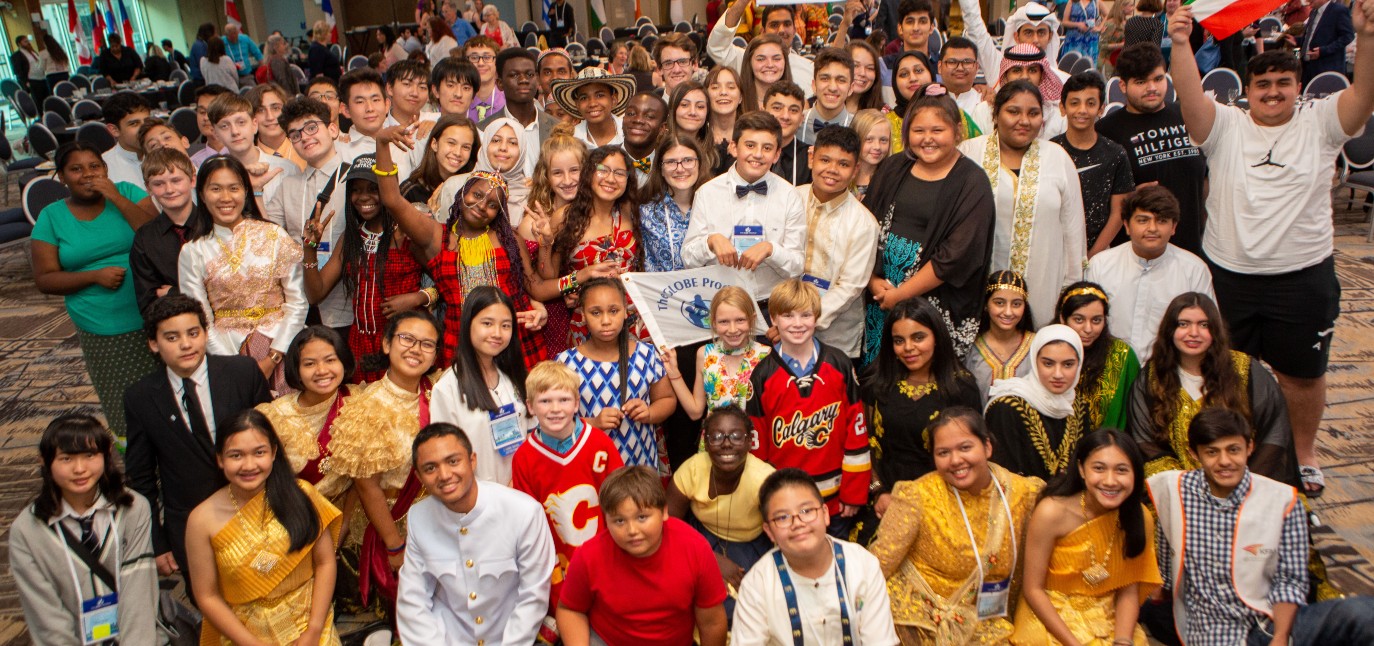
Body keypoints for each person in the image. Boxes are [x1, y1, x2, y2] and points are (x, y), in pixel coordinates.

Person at [1168, 4, 1374, 498]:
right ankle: (1234, 448)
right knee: (1228, 374)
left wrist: (1366, 36)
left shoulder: (1322, 122)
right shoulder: (1225, 127)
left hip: (1302, 277)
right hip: (1231, 277)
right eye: (1263, 85)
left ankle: (1303, 454)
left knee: (1303, 377)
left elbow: (1364, 94)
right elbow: (1191, 97)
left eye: (1284, 82)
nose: (1274, 92)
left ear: (1297, 86)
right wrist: (1179, 42)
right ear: (1249, 91)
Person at [1142, 408, 1374, 646]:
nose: (1224, 461)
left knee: (1362, 614)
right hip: (1211, 631)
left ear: (1249, 448)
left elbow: (1290, 579)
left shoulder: (1281, 499)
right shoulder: (1173, 491)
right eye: (1212, 452)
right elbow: (1167, 559)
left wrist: (1281, 637)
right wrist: (1162, 594)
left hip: (1269, 621)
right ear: (1194, 454)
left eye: (1233, 450)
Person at [124, 295, 273, 595]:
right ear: (153, 344)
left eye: (193, 333)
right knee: (210, 604)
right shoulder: (141, 397)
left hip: (257, 513)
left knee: (268, 592)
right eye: (172, 337)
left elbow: (273, 443)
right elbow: (140, 478)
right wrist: (157, 540)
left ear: (206, 333)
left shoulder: (242, 372)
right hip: (191, 524)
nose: (186, 344)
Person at [375, 127, 551, 370]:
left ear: (499, 212)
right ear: (462, 193)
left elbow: (535, 287)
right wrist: (382, 144)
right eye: (476, 195)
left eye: (492, 204)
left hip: (514, 344)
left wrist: (580, 277)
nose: (481, 205)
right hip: (461, 346)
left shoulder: (509, 239)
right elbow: (392, 200)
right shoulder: (436, 237)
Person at [869, 407, 1044, 643]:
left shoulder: (1025, 493)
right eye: (943, 452)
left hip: (989, 620)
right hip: (917, 618)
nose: (955, 460)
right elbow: (877, 565)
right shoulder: (918, 496)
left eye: (965, 447)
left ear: (987, 447)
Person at [30, 141, 159, 438]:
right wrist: (93, 276)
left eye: (94, 167)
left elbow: (155, 234)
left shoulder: (126, 192)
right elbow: (45, 278)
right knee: (123, 402)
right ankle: (138, 469)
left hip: (151, 310)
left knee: (169, 394)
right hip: (102, 322)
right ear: (61, 177)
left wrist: (117, 198)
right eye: (76, 169)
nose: (87, 174)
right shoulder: (52, 216)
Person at [862, 85, 996, 365]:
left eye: (938, 130)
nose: (927, 139)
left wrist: (901, 295)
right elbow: (865, 227)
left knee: (923, 383)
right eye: (919, 131)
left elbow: (958, 255)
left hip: (934, 302)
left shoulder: (972, 182)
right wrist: (874, 281)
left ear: (957, 132)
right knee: (879, 378)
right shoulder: (893, 167)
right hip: (880, 296)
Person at [184, 410, 341, 644]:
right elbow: (207, 596)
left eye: (259, 453)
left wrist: (314, 630)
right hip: (243, 634)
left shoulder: (301, 495)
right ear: (219, 459)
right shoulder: (201, 520)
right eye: (236, 455)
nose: (249, 465)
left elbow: (325, 562)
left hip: (309, 625)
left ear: (274, 452)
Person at [322, 311, 441, 617]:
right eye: (407, 339)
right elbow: (366, 485)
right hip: (390, 524)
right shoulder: (366, 405)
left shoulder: (439, 391)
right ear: (387, 344)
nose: (416, 349)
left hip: (436, 520)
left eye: (427, 344)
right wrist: (394, 545)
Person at [397, 423, 556, 644]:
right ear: (419, 476)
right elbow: (413, 600)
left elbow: (533, 596)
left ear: (472, 461)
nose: (444, 475)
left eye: (453, 461)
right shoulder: (419, 517)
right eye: (430, 468)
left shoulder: (524, 512)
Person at [10, 414, 160, 645]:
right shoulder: (27, 530)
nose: (80, 469)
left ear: (106, 453)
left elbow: (138, 591)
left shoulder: (132, 508)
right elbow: (45, 614)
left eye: (89, 455)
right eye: (66, 459)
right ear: (45, 461)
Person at [1127, 292, 1299, 486]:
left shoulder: (1246, 371)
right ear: (1169, 330)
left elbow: (1274, 433)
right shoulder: (1152, 377)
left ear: (1216, 330)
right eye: (1183, 324)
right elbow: (1145, 442)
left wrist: (1241, 483)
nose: (1193, 333)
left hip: (1244, 485)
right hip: (1178, 488)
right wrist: (1188, 486)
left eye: (1204, 325)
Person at [1010, 429, 1162, 645]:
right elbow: (1033, 590)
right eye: (1099, 468)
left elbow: (1129, 590)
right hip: (1050, 617)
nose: (1110, 481)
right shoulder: (1052, 512)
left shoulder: (1140, 517)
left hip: (1109, 617)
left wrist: (1123, 640)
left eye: (1121, 470)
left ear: (1135, 473)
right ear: (1081, 469)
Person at [747, 279, 870, 536]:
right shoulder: (762, 375)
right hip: (786, 502)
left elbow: (856, 431)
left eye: (805, 315)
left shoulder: (839, 364)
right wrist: (769, 499)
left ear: (816, 317)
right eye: (788, 315)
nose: (798, 323)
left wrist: (854, 491)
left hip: (837, 501)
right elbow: (757, 447)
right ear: (773, 319)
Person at [557, 465, 730, 646]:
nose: (632, 531)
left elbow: (712, 622)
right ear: (605, 520)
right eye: (619, 521)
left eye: (642, 517)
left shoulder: (695, 548)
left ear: (664, 512)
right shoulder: (589, 556)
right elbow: (570, 609)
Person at [960, 81, 1086, 327]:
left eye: (1033, 113)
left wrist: (1070, 292)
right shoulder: (969, 153)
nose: (1024, 121)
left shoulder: (1057, 157)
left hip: (1043, 291)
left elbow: (1073, 232)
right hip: (977, 291)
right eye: (1013, 111)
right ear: (995, 114)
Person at [511, 361, 625, 628]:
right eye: (545, 400)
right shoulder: (524, 458)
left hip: (604, 553)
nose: (555, 409)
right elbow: (528, 522)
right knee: (570, 620)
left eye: (563, 399)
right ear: (530, 406)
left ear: (576, 403)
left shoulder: (599, 443)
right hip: (556, 561)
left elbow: (620, 501)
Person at [178, 155, 304, 394]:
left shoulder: (274, 235)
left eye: (233, 188)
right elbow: (200, 318)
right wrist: (234, 366)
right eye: (215, 189)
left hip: (282, 346)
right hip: (226, 352)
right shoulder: (193, 251)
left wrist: (273, 357)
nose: (226, 198)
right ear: (202, 196)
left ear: (245, 192)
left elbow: (298, 303)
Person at [732, 468, 900, 644]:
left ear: (825, 514)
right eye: (782, 517)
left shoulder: (863, 565)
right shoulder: (757, 585)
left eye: (806, 511)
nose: (797, 523)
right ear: (769, 531)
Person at [860, 298, 982, 536]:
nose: (908, 348)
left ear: (936, 337)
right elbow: (862, 445)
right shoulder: (876, 383)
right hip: (885, 501)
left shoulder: (960, 387)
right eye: (899, 340)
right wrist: (878, 492)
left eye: (918, 337)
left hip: (946, 503)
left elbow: (973, 455)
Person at [302, 156, 429, 381]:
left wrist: (417, 298)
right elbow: (315, 294)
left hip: (404, 342)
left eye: (373, 188)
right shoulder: (351, 238)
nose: (363, 197)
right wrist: (310, 248)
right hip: (361, 345)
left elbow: (445, 280)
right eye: (356, 190)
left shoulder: (407, 232)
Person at [682, 111, 806, 305]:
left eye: (767, 148)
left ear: (777, 154)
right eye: (750, 145)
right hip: (718, 303)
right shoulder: (707, 193)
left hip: (770, 304)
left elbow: (797, 265)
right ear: (733, 147)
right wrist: (710, 242)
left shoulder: (790, 196)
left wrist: (771, 249)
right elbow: (688, 258)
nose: (757, 154)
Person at [1094, 43, 1207, 254]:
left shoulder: (1188, 116)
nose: (1152, 88)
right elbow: (1097, 200)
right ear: (1123, 86)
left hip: (1194, 249)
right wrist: (1127, 197)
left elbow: (1206, 180)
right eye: (1141, 82)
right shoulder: (1106, 131)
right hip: (1136, 254)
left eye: (1158, 79)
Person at [557, 278, 677, 469]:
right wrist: (592, 423)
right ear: (583, 315)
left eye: (613, 311)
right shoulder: (566, 363)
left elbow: (667, 399)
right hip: (589, 468)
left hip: (638, 464)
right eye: (596, 313)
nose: (606, 321)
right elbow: (555, 418)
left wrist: (649, 413)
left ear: (625, 311)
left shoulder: (646, 354)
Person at [1086, 185, 1215, 361]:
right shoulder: (1100, 265)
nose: (1152, 228)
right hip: (1109, 368)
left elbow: (1207, 329)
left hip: (1166, 370)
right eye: (1143, 220)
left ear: (1173, 227)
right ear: (1127, 226)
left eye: (1161, 221)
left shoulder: (1194, 270)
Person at [667, 406, 776, 615]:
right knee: (683, 592)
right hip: (697, 535)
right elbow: (667, 525)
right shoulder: (692, 469)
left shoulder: (764, 480)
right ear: (705, 442)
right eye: (716, 436)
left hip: (748, 544)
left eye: (736, 436)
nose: (726, 444)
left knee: (736, 605)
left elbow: (784, 535)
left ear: (749, 441)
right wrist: (710, 557)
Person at [539, 146, 646, 345]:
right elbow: (549, 277)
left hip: (633, 317)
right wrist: (546, 244)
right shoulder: (566, 217)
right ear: (589, 173)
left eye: (619, 173)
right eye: (603, 170)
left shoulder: (629, 211)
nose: (611, 179)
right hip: (589, 319)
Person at [431, 287, 534, 484]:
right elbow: (445, 456)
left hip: (521, 492)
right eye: (487, 323)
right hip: (476, 500)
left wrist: (519, 482)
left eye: (505, 325)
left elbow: (531, 433)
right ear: (468, 324)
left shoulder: (514, 377)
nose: (497, 333)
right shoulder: (448, 388)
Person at [793, 126, 878, 358]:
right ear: (811, 158)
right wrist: (787, 320)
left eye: (843, 164)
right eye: (825, 160)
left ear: (855, 170)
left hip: (834, 337)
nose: (832, 170)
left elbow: (850, 286)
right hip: (782, 325)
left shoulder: (864, 223)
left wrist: (803, 322)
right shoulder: (791, 198)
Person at [985, 324, 1093, 481]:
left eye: (1068, 364)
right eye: (1048, 364)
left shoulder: (1078, 405)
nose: (1058, 374)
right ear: (1034, 363)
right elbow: (1004, 476)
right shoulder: (1006, 407)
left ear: (1079, 364)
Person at [255, 326, 357, 485]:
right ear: (296, 370)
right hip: (299, 506)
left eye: (330, 360)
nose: (322, 370)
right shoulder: (276, 416)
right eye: (309, 364)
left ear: (343, 362)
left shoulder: (360, 402)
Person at [1052, 72, 1135, 257]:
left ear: (1101, 109)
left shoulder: (1116, 154)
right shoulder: (1050, 150)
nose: (1082, 110)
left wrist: (1092, 256)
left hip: (1100, 254)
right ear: (1062, 108)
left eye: (1090, 103)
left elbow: (1118, 213)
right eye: (1074, 103)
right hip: (1054, 251)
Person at [1057, 282, 1141, 432]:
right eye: (1079, 320)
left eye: (1096, 320)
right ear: (1063, 318)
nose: (1088, 329)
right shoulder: (1047, 351)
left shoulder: (1123, 356)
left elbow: (1135, 418)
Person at [130, 148, 197, 315]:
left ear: (192, 180)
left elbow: (229, 289)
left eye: (176, 180)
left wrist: (174, 293)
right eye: (158, 184)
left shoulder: (215, 225)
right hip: (175, 329)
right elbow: (149, 304)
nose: (169, 189)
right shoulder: (145, 238)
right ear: (148, 188)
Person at [209, 92, 296, 214]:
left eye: (241, 122)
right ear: (215, 133)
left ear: (254, 125)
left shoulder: (286, 170)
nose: (235, 131)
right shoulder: (211, 175)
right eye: (224, 126)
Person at [483, 48, 560, 177]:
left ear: (537, 80)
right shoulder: (485, 130)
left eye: (529, 74)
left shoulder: (557, 128)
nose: (523, 80)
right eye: (514, 75)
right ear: (500, 83)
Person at [639, 132, 709, 272]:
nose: (680, 169)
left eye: (688, 160)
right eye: (671, 162)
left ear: (699, 164)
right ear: (661, 169)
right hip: (661, 292)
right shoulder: (644, 212)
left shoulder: (715, 205)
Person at [964, 270, 1038, 402]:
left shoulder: (1037, 346)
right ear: (986, 304)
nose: (1008, 312)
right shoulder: (970, 347)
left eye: (1016, 304)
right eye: (999, 303)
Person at [968, 44, 1068, 139]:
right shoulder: (984, 111)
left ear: (1042, 77)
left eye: (1032, 70)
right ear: (1005, 76)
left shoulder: (1058, 116)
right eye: (1016, 70)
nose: (1025, 76)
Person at [710, 0, 816, 90]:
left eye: (787, 24)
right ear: (762, 31)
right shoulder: (745, 59)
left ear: (794, 31)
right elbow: (718, 47)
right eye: (774, 25)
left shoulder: (809, 68)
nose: (781, 30)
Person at [959, 0, 1067, 81]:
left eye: (1041, 33)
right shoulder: (998, 67)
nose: (1035, 40)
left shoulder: (1062, 80)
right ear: (1016, 37)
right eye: (1028, 33)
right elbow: (974, 24)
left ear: (1050, 36)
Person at [551, 68, 636, 148]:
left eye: (600, 95)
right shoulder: (571, 140)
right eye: (584, 98)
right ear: (577, 105)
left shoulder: (631, 132)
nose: (592, 103)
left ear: (613, 100)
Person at [797, 48, 855, 146]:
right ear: (814, 85)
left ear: (851, 88)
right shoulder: (795, 124)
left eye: (841, 80)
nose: (832, 87)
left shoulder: (859, 128)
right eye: (825, 79)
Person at [885, 51, 937, 151]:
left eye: (918, 70)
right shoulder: (886, 123)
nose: (912, 78)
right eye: (904, 74)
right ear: (895, 83)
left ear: (931, 73)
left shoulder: (952, 115)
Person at [100, 92, 153, 189]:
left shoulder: (165, 155)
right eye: (134, 123)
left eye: (147, 121)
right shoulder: (103, 168)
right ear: (114, 130)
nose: (145, 128)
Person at [764, 81, 813, 186]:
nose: (785, 116)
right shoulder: (749, 152)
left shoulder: (810, 158)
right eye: (777, 108)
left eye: (793, 110)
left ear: (801, 119)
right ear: (763, 112)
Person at [248, 83, 305, 170]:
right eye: (260, 110)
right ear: (251, 117)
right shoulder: (247, 158)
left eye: (276, 108)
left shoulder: (306, 147)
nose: (270, 117)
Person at [1300, 0, 1355, 85]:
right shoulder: (1313, 12)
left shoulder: (1338, 11)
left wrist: (1324, 51)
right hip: (1308, 68)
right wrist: (1296, 41)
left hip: (1327, 68)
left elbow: (1348, 36)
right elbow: (1311, 37)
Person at [622, 92, 670, 187]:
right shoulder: (601, 160)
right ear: (623, 119)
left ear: (662, 128)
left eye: (650, 116)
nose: (638, 120)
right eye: (631, 113)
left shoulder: (668, 167)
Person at [706, 65, 745, 174]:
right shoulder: (698, 136)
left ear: (741, 97)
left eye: (731, 87)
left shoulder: (751, 136)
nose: (723, 92)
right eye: (715, 87)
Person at [739, 35, 795, 112]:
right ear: (749, 63)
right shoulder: (736, 102)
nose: (770, 65)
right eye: (761, 59)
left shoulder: (798, 102)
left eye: (776, 59)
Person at [850, 108, 891, 199]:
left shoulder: (891, 179)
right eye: (869, 139)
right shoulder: (843, 176)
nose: (877, 146)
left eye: (883, 140)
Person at [937, 36, 984, 114]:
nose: (960, 68)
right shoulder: (928, 102)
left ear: (976, 67)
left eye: (967, 62)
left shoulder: (986, 103)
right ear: (939, 67)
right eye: (952, 62)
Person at [465, 36, 506, 121]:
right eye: (474, 58)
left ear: (497, 62)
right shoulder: (457, 101)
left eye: (487, 57)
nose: (480, 63)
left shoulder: (509, 101)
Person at [654, 33, 701, 97]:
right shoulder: (651, 106)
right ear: (659, 69)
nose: (676, 70)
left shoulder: (708, 105)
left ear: (695, 64)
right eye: (668, 63)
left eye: (683, 62)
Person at [847, 40, 887, 114]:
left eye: (870, 68)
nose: (862, 73)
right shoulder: (825, 105)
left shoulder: (885, 113)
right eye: (855, 65)